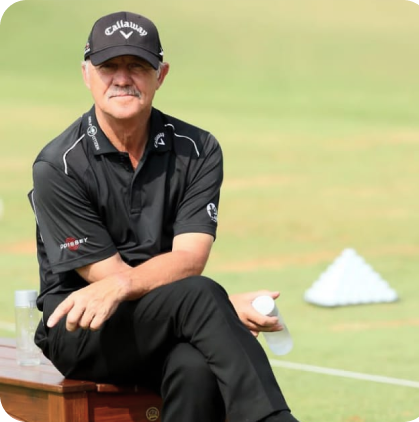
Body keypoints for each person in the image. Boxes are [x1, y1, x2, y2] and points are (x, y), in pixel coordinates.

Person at [28, 11, 301, 422]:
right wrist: (220, 306)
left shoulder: (198, 149)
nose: (122, 79)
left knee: (195, 368)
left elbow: (190, 259)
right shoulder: (58, 165)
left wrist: (206, 306)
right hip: (80, 327)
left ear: (161, 75)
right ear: (87, 74)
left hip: (165, 318)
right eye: (108, 66)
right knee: (201, 295)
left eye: (137, 66)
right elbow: (109, 281)